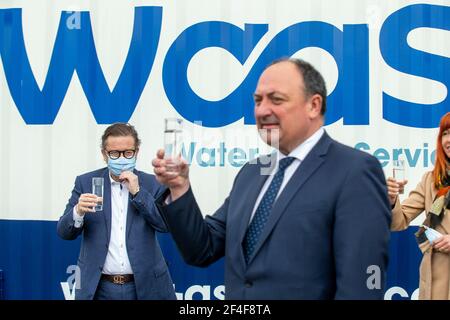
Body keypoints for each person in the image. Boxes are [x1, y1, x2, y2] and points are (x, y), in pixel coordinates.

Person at [152, 58, 391, 299]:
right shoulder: (251, 173)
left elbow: (361, 288)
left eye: (276, 99)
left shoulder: (354, 171)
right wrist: (179, 187)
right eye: (258, 100)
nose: (262, 110)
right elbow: (202, 250)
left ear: (314, 105)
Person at [57, 123, 176, 300]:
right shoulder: (86, 182)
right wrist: (78, 212)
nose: (122, 158)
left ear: (137, 152)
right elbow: (64, 233)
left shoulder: (153, 183)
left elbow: (166, 225)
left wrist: (138, 193)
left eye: (128, 152)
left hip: (145, 286)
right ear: (104, 154)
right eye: (114, 153)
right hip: (99, 288)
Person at [388, 112, 450, 300]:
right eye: (445, 133)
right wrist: (391, 199)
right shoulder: (431, 180)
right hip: (436, 282)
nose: (448, 139)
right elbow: (398, 222)